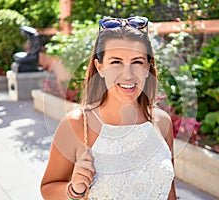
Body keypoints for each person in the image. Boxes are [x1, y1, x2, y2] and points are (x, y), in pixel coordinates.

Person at [41, 16, 177, 200]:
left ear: (148, 68)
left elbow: (170, 191)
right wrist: (74, 190)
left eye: (137, 62)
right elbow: (48, 188)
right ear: (100, 67)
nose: (127, 75)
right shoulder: (77, 124)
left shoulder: (161, 122)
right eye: (116, 62)